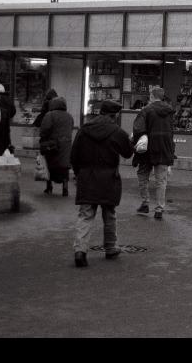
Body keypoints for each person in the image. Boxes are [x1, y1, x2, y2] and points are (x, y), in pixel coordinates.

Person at [70, 100, 133, 268]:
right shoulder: (117, 132)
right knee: (109, 213)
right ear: (114, 115)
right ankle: (111, 247)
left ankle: (80, 251)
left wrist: (78, 174)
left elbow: (74, 155)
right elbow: (128, 152)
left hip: (87, 176)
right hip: (108, 178)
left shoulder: (84, 129)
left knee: (85, 214)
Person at [132, 87, 175, 220]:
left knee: (142, 175)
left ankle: (145, 202)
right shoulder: (169, 111)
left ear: (151, 96)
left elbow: (138, 128)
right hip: (163, 147)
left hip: (148, 149)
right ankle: (159, 208)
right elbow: (171, 131)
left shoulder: (146, 110)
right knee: (161, 180)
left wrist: (136, 140)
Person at [39, 96, 74, 197]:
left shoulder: (49, 115)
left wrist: (43, 139)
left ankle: (49, 187)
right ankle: (65, 189)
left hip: (52, 146)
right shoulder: (69, 116)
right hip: (66, 146)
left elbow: (44, 130)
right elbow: (71, 128)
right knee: (64, 168)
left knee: (50, 166)